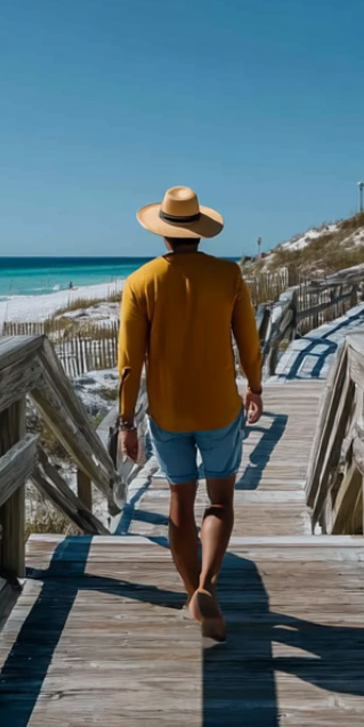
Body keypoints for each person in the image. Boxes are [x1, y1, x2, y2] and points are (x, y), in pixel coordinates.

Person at [117, 186, 262, 642]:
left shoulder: (141, 282)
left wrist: (126, 422)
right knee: (219, 501)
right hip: (220, 407)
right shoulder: (228, 275)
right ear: (199, 232)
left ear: (162, 235)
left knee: (180, 502)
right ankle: (208, 585)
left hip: (169, 412)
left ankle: (189, 592)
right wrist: (254, 387)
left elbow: (129, 362)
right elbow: (248, 341)